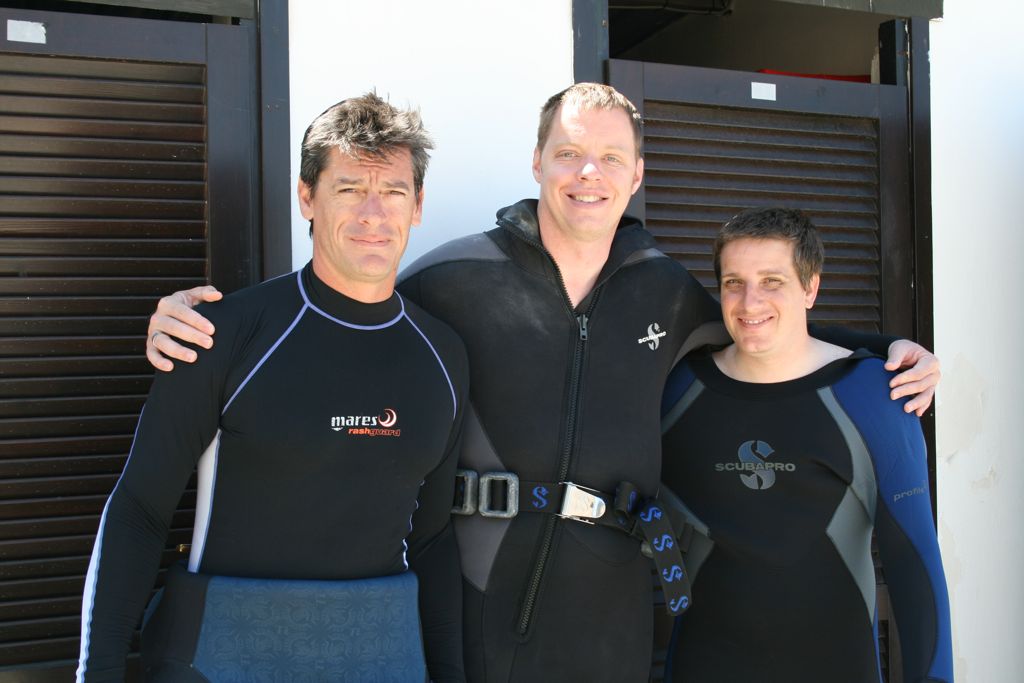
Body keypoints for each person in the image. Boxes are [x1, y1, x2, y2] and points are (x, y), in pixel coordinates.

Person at [144, 84, 941, 682]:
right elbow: (340, 301)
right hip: (477, 595)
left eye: (610, 158)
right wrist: (191, 318)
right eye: (568, 152)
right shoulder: (452, 275)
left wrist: (888, 347)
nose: (587, 172)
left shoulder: (664, 287)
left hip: (610, 610)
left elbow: (764, 323)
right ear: (537, 161)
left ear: (636, 176)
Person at [76, 94, 469, 683]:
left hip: (378, 653)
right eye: (348, 189)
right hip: (223, 653)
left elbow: (434, 540)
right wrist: (99, 671)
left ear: (417, 206)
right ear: (307, 196)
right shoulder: (222, 334)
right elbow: (139, 510)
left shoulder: (443, 355)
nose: (373, 213)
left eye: (392, 191)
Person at [660, 208, 952, 683]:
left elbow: (915, 568)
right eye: (734, 282)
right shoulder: (676, 390)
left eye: (772, 281)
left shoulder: (875, 396)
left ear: (810, 287)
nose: (749, 301)